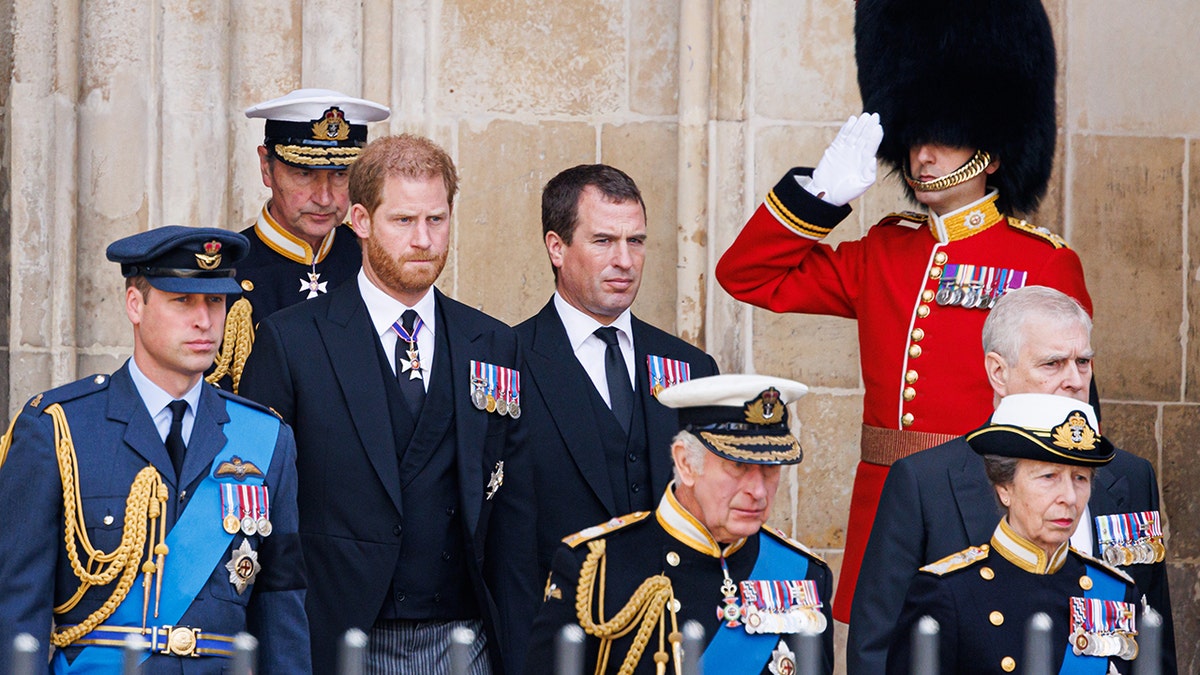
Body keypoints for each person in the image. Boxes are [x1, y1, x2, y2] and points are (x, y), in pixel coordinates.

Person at [714, 0, 1092, 621]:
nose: (921, 156)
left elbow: (1071, 409)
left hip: (983, 504)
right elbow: (746, 275)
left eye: (940, 139)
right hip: (885, 500)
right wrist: (821, 196)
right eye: (915, 137)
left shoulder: (1042, 263)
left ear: (990, 153)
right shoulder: (885, 250)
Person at [239, 133, 522, 674]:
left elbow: (513, 501)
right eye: (403, 221)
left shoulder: (491, 342)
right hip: (339, 636)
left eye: (436, 220)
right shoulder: (292, 340)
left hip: (465, 637)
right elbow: (261, 506)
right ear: (362, 221)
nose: (423, 239)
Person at [0, 226, 309, 672]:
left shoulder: (265, 438)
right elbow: (16, 610)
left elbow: (281, 607)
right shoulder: (59, 430)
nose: (204, 320)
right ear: (135, 305)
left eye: (215, 302)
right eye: (182, 301)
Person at [850, 286, 1176, 674]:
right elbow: (877, 650)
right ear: (998, 372)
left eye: (1083, 362)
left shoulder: (1129, 475)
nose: (1074, 380)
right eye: (1053, 364)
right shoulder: (926, 480)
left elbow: (1154, 637)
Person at [494, 164, 719, 670]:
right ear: (556, 247)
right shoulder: (506, 362)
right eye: (603, 240)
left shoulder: (691, 369)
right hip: (558, 646)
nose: (625, 260)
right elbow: (500, 542)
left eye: (635, 241)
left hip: (674, 646)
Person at [525, 374, 833, 674]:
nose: (758, 491)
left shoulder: (804, 574)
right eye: (738, 466)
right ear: (685, 463)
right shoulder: (595, 568)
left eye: (770, 469)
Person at [886, 393, 1141, 674]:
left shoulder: (1113, 591)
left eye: (1080, 478)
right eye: (1049, 477)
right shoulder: (948, 591)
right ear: (1004, 487)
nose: (1069, 496)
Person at [208, 88, 389, 393]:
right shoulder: (225, 271)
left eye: (341, 174)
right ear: (267, 168)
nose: (324, 197)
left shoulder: (374, 258)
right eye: (304, 173)